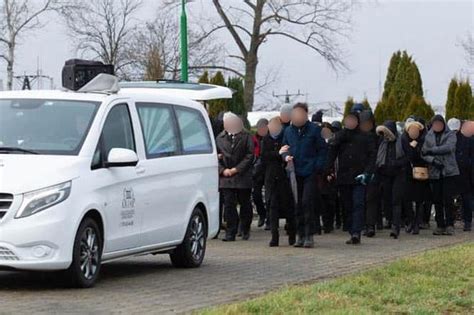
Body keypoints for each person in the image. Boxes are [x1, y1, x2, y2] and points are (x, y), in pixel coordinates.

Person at [325, 106, 377, 245]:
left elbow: (372, 156)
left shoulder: (366, 137)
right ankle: (350, 228)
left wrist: (367, 172)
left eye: (353, 120)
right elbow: (331, 155)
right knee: (346, 205)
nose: (350, 122)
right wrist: (327, 170)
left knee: (358, 204)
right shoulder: (340, 136)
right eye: (348, 120)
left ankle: (356, 232)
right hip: (343, 177)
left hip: (359, 177)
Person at [280, 103, 326, 248]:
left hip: (310, 172)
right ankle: (300, 235)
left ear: (306, 115)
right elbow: (284, 148)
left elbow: (322, 150)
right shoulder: (288, 131)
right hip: (294, 172)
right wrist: (285, 156)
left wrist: (317, 166)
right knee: (297, 203)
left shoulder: (314, 130)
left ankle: (309, 234)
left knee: (307, 202)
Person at [216, 112, 255, 242]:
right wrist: (223, 170)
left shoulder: (246, 136)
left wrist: (236, 169)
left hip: (242, 175)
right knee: (229, 204)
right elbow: (215, 156)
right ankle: (230, 232)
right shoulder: (219, 138)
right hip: (226, 177)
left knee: (245, 203)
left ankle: (245, 228)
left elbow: (250, 155)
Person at [261, 117, 296, 246]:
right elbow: (264, 157)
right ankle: (274, 235)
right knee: (272, 207)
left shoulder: (284, 138)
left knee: (288, 207)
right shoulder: (266, 140)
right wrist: (277, 153)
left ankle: (292, 233)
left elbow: (288, 153)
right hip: (271, 178)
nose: (275, 129)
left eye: (277, 126)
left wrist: (283, 155)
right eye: (272, 126)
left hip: (284, 178)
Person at [422, 115, 459, 236]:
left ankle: (450, 224)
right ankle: (440, 225)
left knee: (448, 199)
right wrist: (432, 160)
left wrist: (432, 150)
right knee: (437, 200)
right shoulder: (428, 136)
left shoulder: (451, 135)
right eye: (435, 124)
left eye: (439, 124)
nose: (437, 126)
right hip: (435, 172)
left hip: (448, 171)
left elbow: (449, 148)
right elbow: (423, 153)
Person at [400, 120, 432, 235]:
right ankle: (411, 221)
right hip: (407, 173)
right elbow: (407, 156)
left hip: (420, 173)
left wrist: (415, 147)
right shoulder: (403, 140)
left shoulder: (423, 141)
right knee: (407, 199)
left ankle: (417, 223)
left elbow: (422, 156)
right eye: (411, 130)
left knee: (419, 199)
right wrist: (412, 147)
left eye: (416, 130)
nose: (414, 132)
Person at [375, 120, 406, 239]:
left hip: (398, 174)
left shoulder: (401, 141)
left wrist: (397, 163)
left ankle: (396, 226)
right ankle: (389, 219)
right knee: (387, 200)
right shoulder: (381, 142)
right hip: (384, 174)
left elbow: (408, 156)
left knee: (396, 201)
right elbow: (377, 157)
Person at [360, 110, 380, 237]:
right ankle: (362, 224)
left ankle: (371, 225)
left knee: (371, 199)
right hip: (359, 172)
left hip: (373, 172)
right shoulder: (357, 137)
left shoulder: (377, 137)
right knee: (361, 200)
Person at [451, 119, 473, 232]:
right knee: (450, 198)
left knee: (466, 198)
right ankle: (450, 220)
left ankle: (467, 221)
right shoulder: (447, 140)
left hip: (464, 174)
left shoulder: (467, 141)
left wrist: (466, 163)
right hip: (450, 173)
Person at [318, 122, 338, 233]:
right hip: (320, 176)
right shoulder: (318, 144)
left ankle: (329, 223)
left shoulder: (334, 143)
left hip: (332, 175)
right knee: (322, 201)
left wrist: (331, 172)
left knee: (330, 201)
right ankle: (325, 223)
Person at [252, 118, 269, 228]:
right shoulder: (253, 140)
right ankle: (262, 214)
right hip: (257, 170)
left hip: (268, 170)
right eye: (260, 128)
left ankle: (270, 219)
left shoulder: (271, 139)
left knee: (270, 196)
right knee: (256, 195)